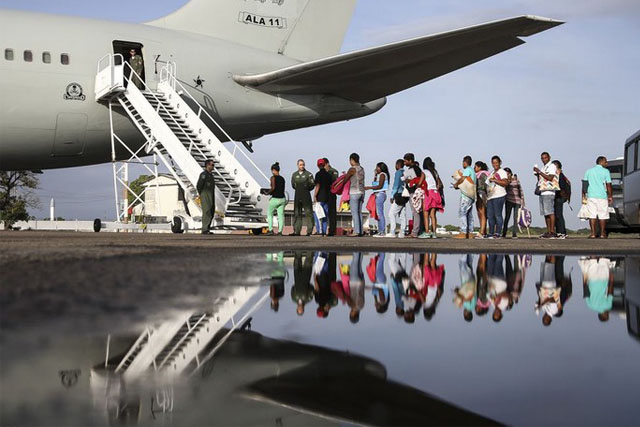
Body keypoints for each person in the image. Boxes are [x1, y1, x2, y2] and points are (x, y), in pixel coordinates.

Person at [582, 156, 612, 239]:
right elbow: (608, 185)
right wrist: (610, 196)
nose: (606, 163)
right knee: (603, 215)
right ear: (601, 162)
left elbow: (584, 184)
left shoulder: (589, 171)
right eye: (605, 162)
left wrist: (584, 195)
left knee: (592, 215)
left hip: (591, 195)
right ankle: (602, 233)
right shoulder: (606, 171)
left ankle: (593, 234)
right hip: (602, 195)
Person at [579, 257, 614, 322]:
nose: (608, 313)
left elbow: (610, 292)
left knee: (603, 260)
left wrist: (611, 281)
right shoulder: (591, 306)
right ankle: (593, 249)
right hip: (593, 280)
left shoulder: (608, 306)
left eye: (607, 315)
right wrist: (584, 277)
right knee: (593, 261)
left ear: (604, 315)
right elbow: (586, 293)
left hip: (604, 279)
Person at [533, 152, 559, 239]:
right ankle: (548, 231)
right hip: (543, 191)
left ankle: (552, 231)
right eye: (542, 158)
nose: (544, 160)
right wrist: (537, 174)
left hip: (549, 191)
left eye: (545, 158)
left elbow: (550, 178)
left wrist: (539, 172)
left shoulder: (551, 166)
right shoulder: (543, 167)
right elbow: (542, 179)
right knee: (545, 213)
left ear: (549, 157)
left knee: (550, 212)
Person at [420, 157, 444, 239]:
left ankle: (427, 232)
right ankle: (434, 233)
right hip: (436, 193)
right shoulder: (435, 172)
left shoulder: (424, 172)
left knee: (425, 213)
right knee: (433, 214)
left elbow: (420, 182)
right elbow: (440, 184)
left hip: (428, 193)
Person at [290, 159, 315, 236]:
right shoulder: (294, 175)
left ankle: (309, 231)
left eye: (303, 164)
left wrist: (306, 188)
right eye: (300, 165)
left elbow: (312, 184)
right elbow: (293, 185)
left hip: (306, 195)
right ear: (297, 165)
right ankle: (297, 231)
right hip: (297, 195)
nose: (302, 166)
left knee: (308, 213)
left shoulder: (309, 174)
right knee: (297, 213)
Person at [453, 156, 476, 239]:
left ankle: (463, 232)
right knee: (469, 214)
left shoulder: (467, 170)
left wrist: (456, 184)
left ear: (465, 162)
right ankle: (470, 232)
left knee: (462, 213)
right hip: (471, 196)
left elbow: (463, 179)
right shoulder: (472, 171)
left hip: (465, 196)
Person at [486, 156, 509, 238]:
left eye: (496, 162)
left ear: (500, 163)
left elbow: (505, 183)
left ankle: (498, 232)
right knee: (490, 215)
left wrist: (495, 180)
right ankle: (491, 232)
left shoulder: (502, 172)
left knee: (497, 215)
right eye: (493, 162)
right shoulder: (492, 172)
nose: (495, 164)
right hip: (491, 196)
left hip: (499, 195)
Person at [365, 162, 390, 237]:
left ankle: (382, 231)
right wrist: (375, 175)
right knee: (379, 213)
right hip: (379, 194)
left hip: (380, 194)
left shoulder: (382, 174)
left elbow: (379, 186)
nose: (376, 169)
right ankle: (380, 230)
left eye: (377, 167)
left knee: (380, 213)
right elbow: (375, 183)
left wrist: (369, 187)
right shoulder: (380, 175)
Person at [344, 153, 365, 236]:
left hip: (354, 192)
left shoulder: (352, 169)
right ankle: (360, 231)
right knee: (359, 212)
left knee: (354, 212)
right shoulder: (362, 169)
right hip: (362, 192)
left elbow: (345, 179)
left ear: (352, 160)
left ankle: (356, 231)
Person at [403, 153, 424, 238]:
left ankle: (415, 232)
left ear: (410, 160)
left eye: (405, 161)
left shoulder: (415, 169)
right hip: (415, 191)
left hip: (415, 192)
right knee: (417, 211)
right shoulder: (415, 169)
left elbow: (417, 180)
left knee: (416, 211)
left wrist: (409, 181)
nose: (404, 163)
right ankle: (418, 230)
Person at [264, 162, 286, 236]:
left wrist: (267, 192)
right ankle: (280, 231)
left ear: (273, 170)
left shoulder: (273, 177)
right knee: (280, 215)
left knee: (269, 213)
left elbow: (273, 188)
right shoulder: (283, 179)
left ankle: (270, 230)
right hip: (282, 199)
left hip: (275, 199)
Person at [387, 159, 408, 238]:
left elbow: (396, 185)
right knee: (402, 215)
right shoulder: (405, 173)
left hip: (398, 195)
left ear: (398, 165)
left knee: (391, 214)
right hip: (405, 195)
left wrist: (392, 196)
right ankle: (402, 232)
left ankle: (392, 231)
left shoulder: (398, 172)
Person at [502, 168, 523, 238]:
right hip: (508, 200)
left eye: (508, 173)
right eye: (506, 173)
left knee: (516, 218)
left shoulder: (516, 180)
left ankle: (514, 233)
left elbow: (520, 190)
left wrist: (522, 200)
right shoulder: (505, 181)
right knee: (507, 217)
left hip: (517, 201)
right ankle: (504, 233)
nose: (508, 175)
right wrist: (508, 180)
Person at [313, 159, 333, 236]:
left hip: (320, 197)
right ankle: (324, 231)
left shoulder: (318, 174)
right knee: (325, 215)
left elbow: (318, 185)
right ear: (324, 165)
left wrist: (315, 195)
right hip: (327, 197)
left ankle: (319, 231)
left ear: (318, 165)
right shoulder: (328, 175)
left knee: (318, 214)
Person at [291, 251, 314, 316]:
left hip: (297, 277)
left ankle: (298, 250)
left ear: (297, 308)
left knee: (297, 260)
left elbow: (292, 288)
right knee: (308, 260)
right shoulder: (309, 299)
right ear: (303, 309)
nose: (300, 308)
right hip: (306, 277)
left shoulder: (294, 299)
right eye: (301, 309)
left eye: (299, 309)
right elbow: (312, 289)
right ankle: (311, 248)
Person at [196, 159, 216, 235]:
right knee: (207, 210)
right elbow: (199, 185)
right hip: (205, 193)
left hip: (211, 193)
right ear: (207, 165)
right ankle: (204, 229)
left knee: (211, 210)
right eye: (212, 165)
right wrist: (201, 193)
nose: (213, 166)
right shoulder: (204, 174)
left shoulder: (210, 175)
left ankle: (207, 228)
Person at [554, 160, 570, 239]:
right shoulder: (561, 175)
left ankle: (561, 232)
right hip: (559, 197)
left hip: (559, 197)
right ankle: (560, 231)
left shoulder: (560, 176)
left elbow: (561, 186)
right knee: (558, 215)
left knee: (558, 215)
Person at [323, 158, 339, 236]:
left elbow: (334, 182)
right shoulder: (323, 172)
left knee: (332, 213)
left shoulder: (333, 171)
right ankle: (323, 229)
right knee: (324, 212)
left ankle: (332, 230)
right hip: (324, 193)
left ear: (327, 164)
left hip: (331, 193)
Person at [474, 162, 490, 238]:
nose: (474, 168)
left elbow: (484, 186)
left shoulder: (482, 174)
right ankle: (484, 231)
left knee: (482, 212)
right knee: (481, 213)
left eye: (475, 167)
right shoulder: (484, 174)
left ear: (480, 167)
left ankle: (482, 231)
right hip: (481, 194)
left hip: (481, 193)